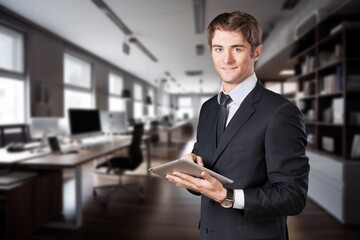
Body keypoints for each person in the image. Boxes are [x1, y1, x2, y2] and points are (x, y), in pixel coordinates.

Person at [166, 10, 309, 240]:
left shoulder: (281, 112)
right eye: (219, 49)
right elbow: (207, 171)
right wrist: (190, 170)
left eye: (237, 48)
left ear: (256, 52)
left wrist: (228, 196)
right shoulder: (208, 108)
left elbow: (293, 196)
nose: (227, 60)